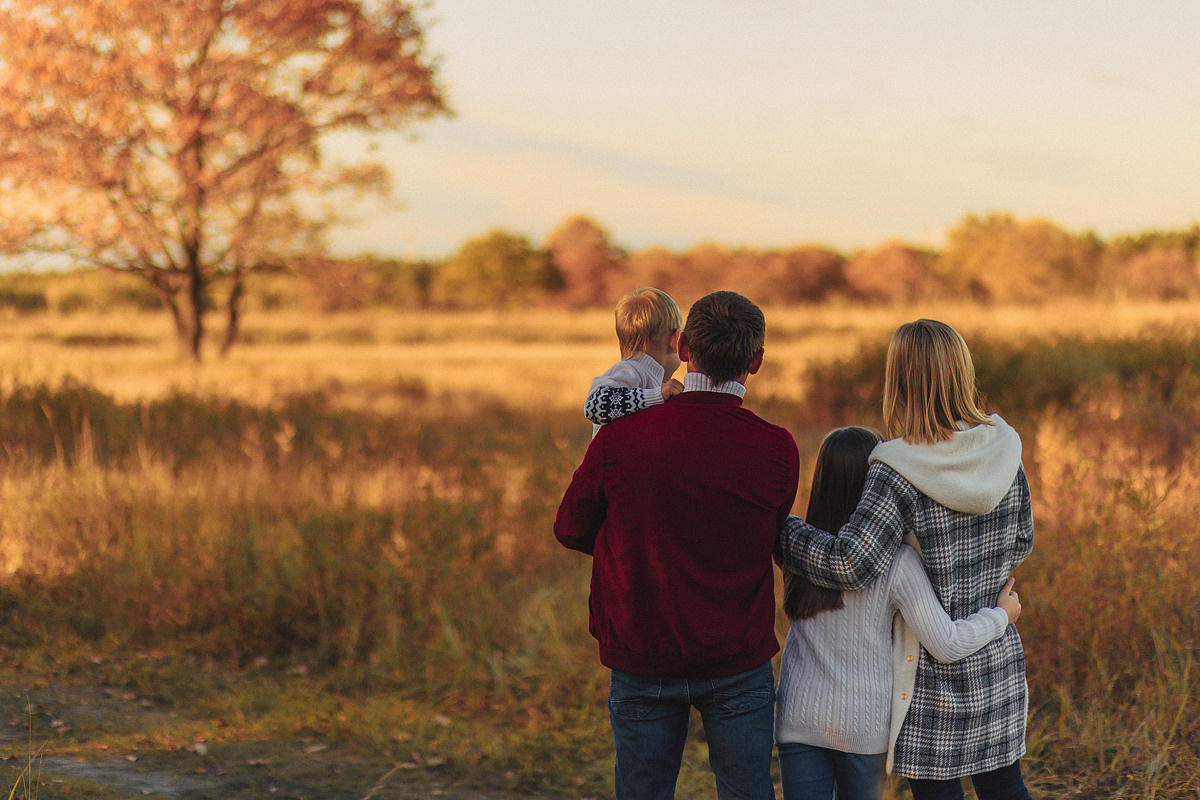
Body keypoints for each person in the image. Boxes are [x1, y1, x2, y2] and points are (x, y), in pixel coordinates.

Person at [774, 318, 1035, 800]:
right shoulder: (1004, 446)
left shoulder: (897, 468)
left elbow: (852, 564)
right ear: (961, 371)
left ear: (899, 382)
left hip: (928, 679)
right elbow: (1022, 539)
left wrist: (780, 528)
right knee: (1005, 788)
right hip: (995, 657)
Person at [556, 291, 800, 800]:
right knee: (747, 791)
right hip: (737, 657)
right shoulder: (777, 447)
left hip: (642, 650)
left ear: (684, 346)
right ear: (756, 361)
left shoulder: (622, 437)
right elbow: (768, 534)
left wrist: (634, 542)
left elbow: (571, 527)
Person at [583, 286, 685, 436]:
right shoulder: (631, 370)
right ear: (674, 339)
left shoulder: (653, 380)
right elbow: (595, 406)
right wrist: (657, 395)